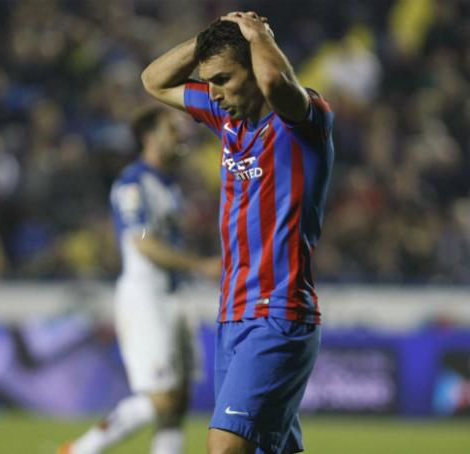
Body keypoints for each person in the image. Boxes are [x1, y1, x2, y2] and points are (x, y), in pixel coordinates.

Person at [141, 11, 334, 454]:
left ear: (255, 64)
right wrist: (211, 41)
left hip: (278, 314)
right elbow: (153, 80)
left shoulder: (304, 122)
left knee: (224, 447)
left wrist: (256, 34)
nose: (214, 92)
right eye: (209, 81)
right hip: (232, 316)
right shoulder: (224, 116)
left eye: (225, 78)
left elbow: (274, 85)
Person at [57, 106, 219, 454]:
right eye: (171, 130)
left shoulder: (170, 187)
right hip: (146, 297)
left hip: (174, 296)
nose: (181, 136)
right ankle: (80, 450)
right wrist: (199, 265)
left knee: (177, 404)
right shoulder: (133, 183)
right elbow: (141, 242)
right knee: (161, 399)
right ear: (149, 137)